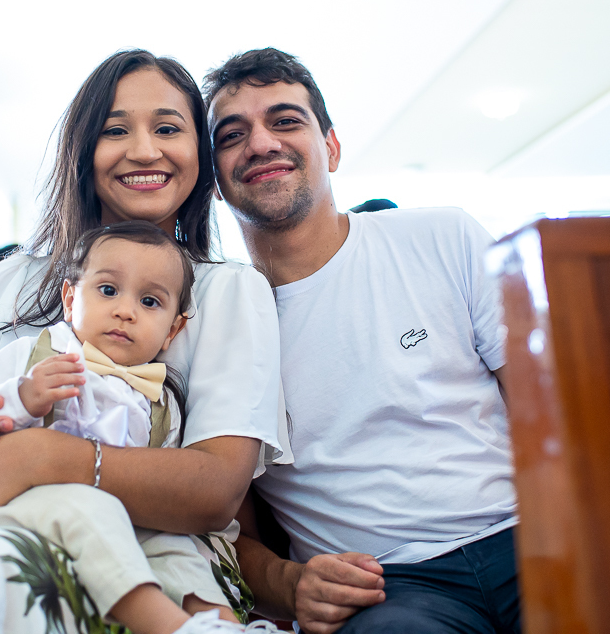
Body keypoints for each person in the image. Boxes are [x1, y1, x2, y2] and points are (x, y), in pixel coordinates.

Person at [0, 49, 288, 634]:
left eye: (168, 129)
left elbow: (214, 493)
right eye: (115, 130)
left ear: (197, 152)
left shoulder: (228, 289)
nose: (145, 150)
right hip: (19, 536)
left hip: (171, 557)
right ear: (82, 151)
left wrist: (42, 457)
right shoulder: (16, 280)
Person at [205, 48, 519, 634]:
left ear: (332, 147)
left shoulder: (443, 236)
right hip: (385, 588)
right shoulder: (215, 327)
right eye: (233, 134)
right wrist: (291, 585)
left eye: (285, 120)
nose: (262, 143)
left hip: (528, 535)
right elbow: (226, 527)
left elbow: (544, 409)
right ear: (217, 182)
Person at [0, 221, 241, 633]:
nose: (125, 311)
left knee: (178, 547)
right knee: (90, 512)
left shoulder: (161, 400)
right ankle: (169, 627)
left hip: (131, 519)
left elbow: (167, 477)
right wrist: (22, 397)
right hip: (41, 511)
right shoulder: (34, 356)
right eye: (108, 290)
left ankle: (220, 623)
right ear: (71, 297)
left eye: (149, 301)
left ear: (173, 330)